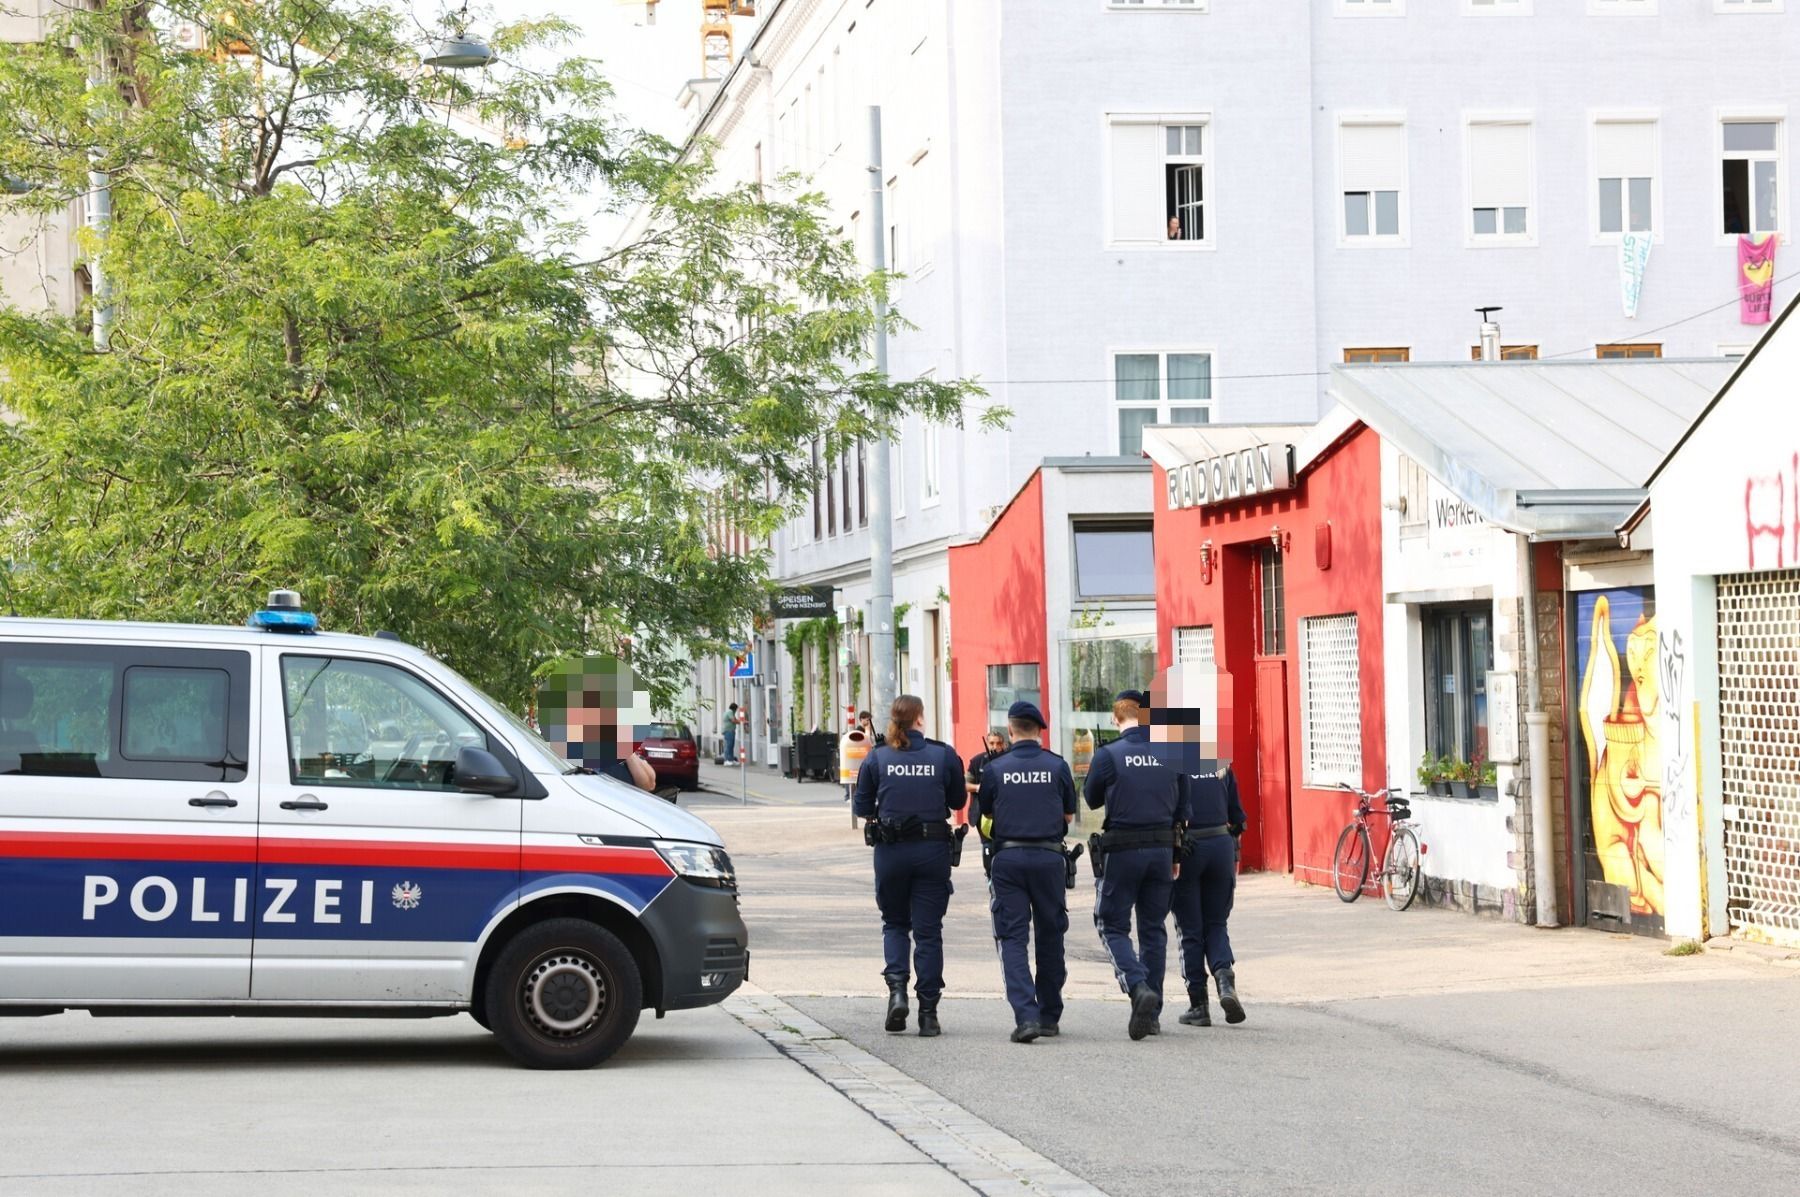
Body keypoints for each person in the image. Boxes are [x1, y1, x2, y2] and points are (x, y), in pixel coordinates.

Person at [853, 694, 966, 1037]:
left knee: (895, 923)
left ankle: (898, 992)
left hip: (891, 853)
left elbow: (862, 807)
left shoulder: (878, 756)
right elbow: (958, 800)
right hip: (932, 852)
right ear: (919, 718)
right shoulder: (943, 755)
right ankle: (928, 1014)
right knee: (928, 932)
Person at [1083, 689, 1189, 1041]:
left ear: (1116, 718)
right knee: (1153, 929)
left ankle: (1137, 985)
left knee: (1111, 924)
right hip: (1162, 850)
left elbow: (1091, 799)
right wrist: (1175, 856)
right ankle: (1152, 1015)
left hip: (1122, 850)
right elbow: (1183, 811)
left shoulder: (1109, 754)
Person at [977, 703, 1075, 1043]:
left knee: (1012, 937)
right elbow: (1068, 816)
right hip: (1049, 858)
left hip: (1008, 859)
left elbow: (987, 814)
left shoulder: (995, 768)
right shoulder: (1057, 766)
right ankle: (1048, 1016)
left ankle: (1026, 1016)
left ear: (1010, 730)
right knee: (1051, 935)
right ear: (1039, 730)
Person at [1171, 762, 1247, 1026]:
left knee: (1189, 929)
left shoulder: (1172, 763)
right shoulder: (1220, 762)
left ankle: (1199, 1006)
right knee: (1216, 923)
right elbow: (1238, 817)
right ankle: (1225, 981)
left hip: (1189, 848)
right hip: (1221, 846)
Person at [965, 728, 1009, 798]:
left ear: (1003, 745)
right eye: (991, 743)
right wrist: (979, 787)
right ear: (987, 744)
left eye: (999, 744)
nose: (995, 747)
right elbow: (965, 785)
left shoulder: (1009, 761)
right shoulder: (977, 761)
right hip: (979, 802)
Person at [722, 701, 739, 766]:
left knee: (731, 746)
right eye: (736, 709)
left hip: (730, 731)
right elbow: (733, 720)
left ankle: (731, 760)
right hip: (728, 731)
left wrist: (741, 721)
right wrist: (741, 722)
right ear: (734, 708)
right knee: (729, 746)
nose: (736, 711)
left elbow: (735, 720)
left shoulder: (729, 712)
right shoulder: (730, 712)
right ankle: (727, 760)